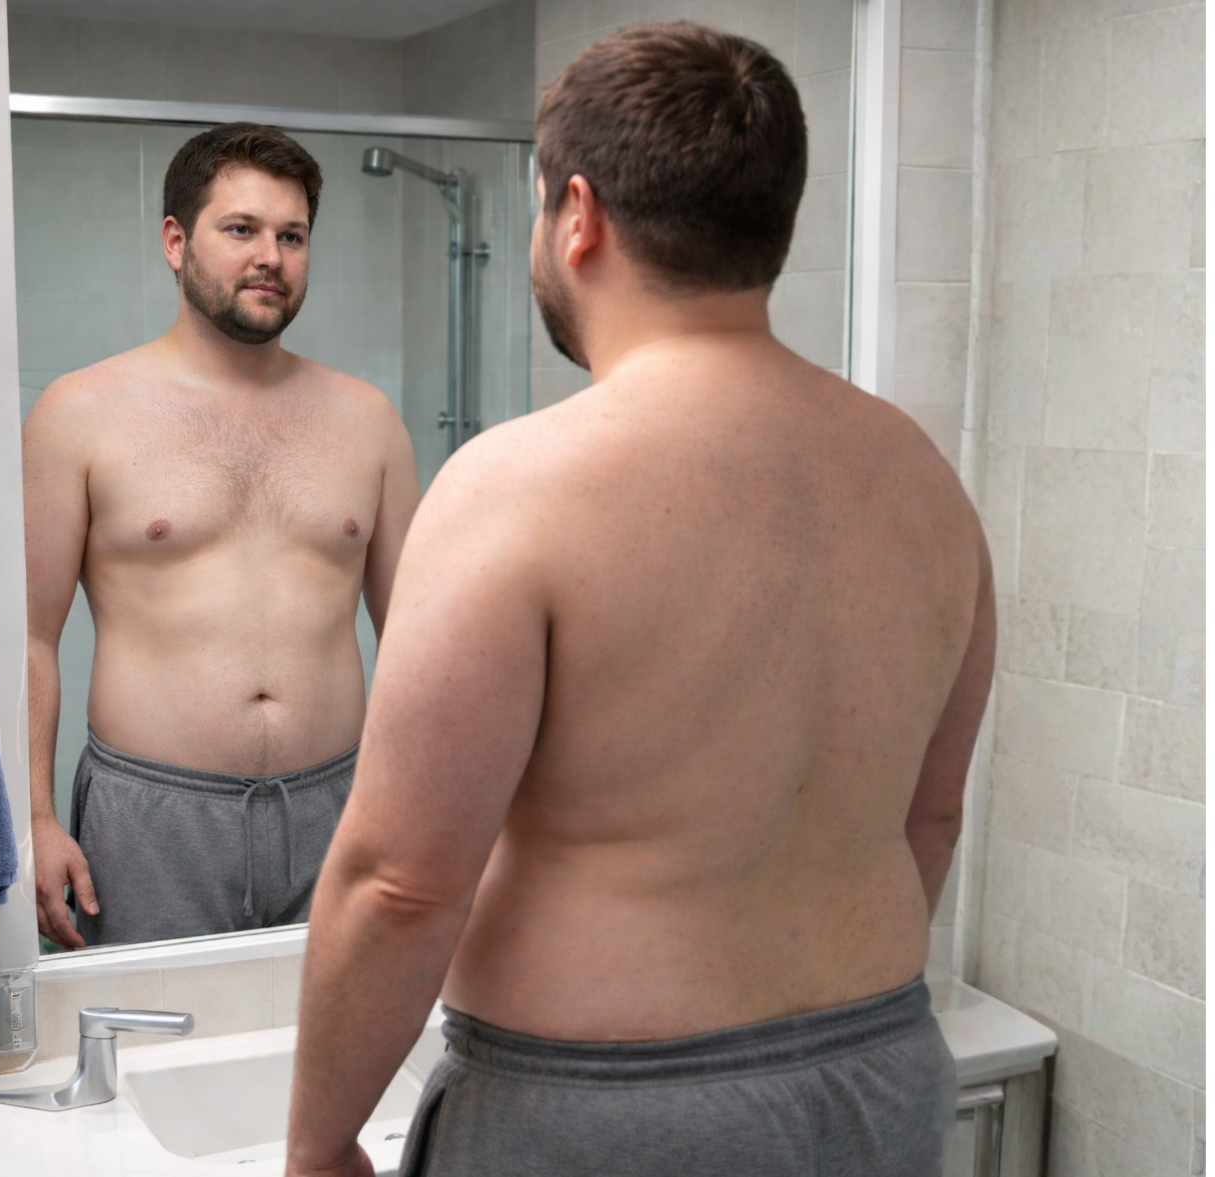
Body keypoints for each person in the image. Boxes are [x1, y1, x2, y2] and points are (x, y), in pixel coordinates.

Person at [285, 22, 994, 1177]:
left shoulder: (519, 486)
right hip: (881, 1073)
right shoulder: (923, 483)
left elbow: (402, 882)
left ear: (578, 215)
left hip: (613, 1118)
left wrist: (318, 1147)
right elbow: (929, 816)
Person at [23, 123, 420, 951]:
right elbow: (28, 637)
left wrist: (419, 804)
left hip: (337, 806)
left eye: (292, 235)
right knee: (155, 1059)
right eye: (240, 229)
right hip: (151, 820)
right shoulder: (79, 412)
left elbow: (419, 636)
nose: (269, 254)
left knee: (328, 1059)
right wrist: (35, 820)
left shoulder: (369, 420)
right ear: (176, 241)